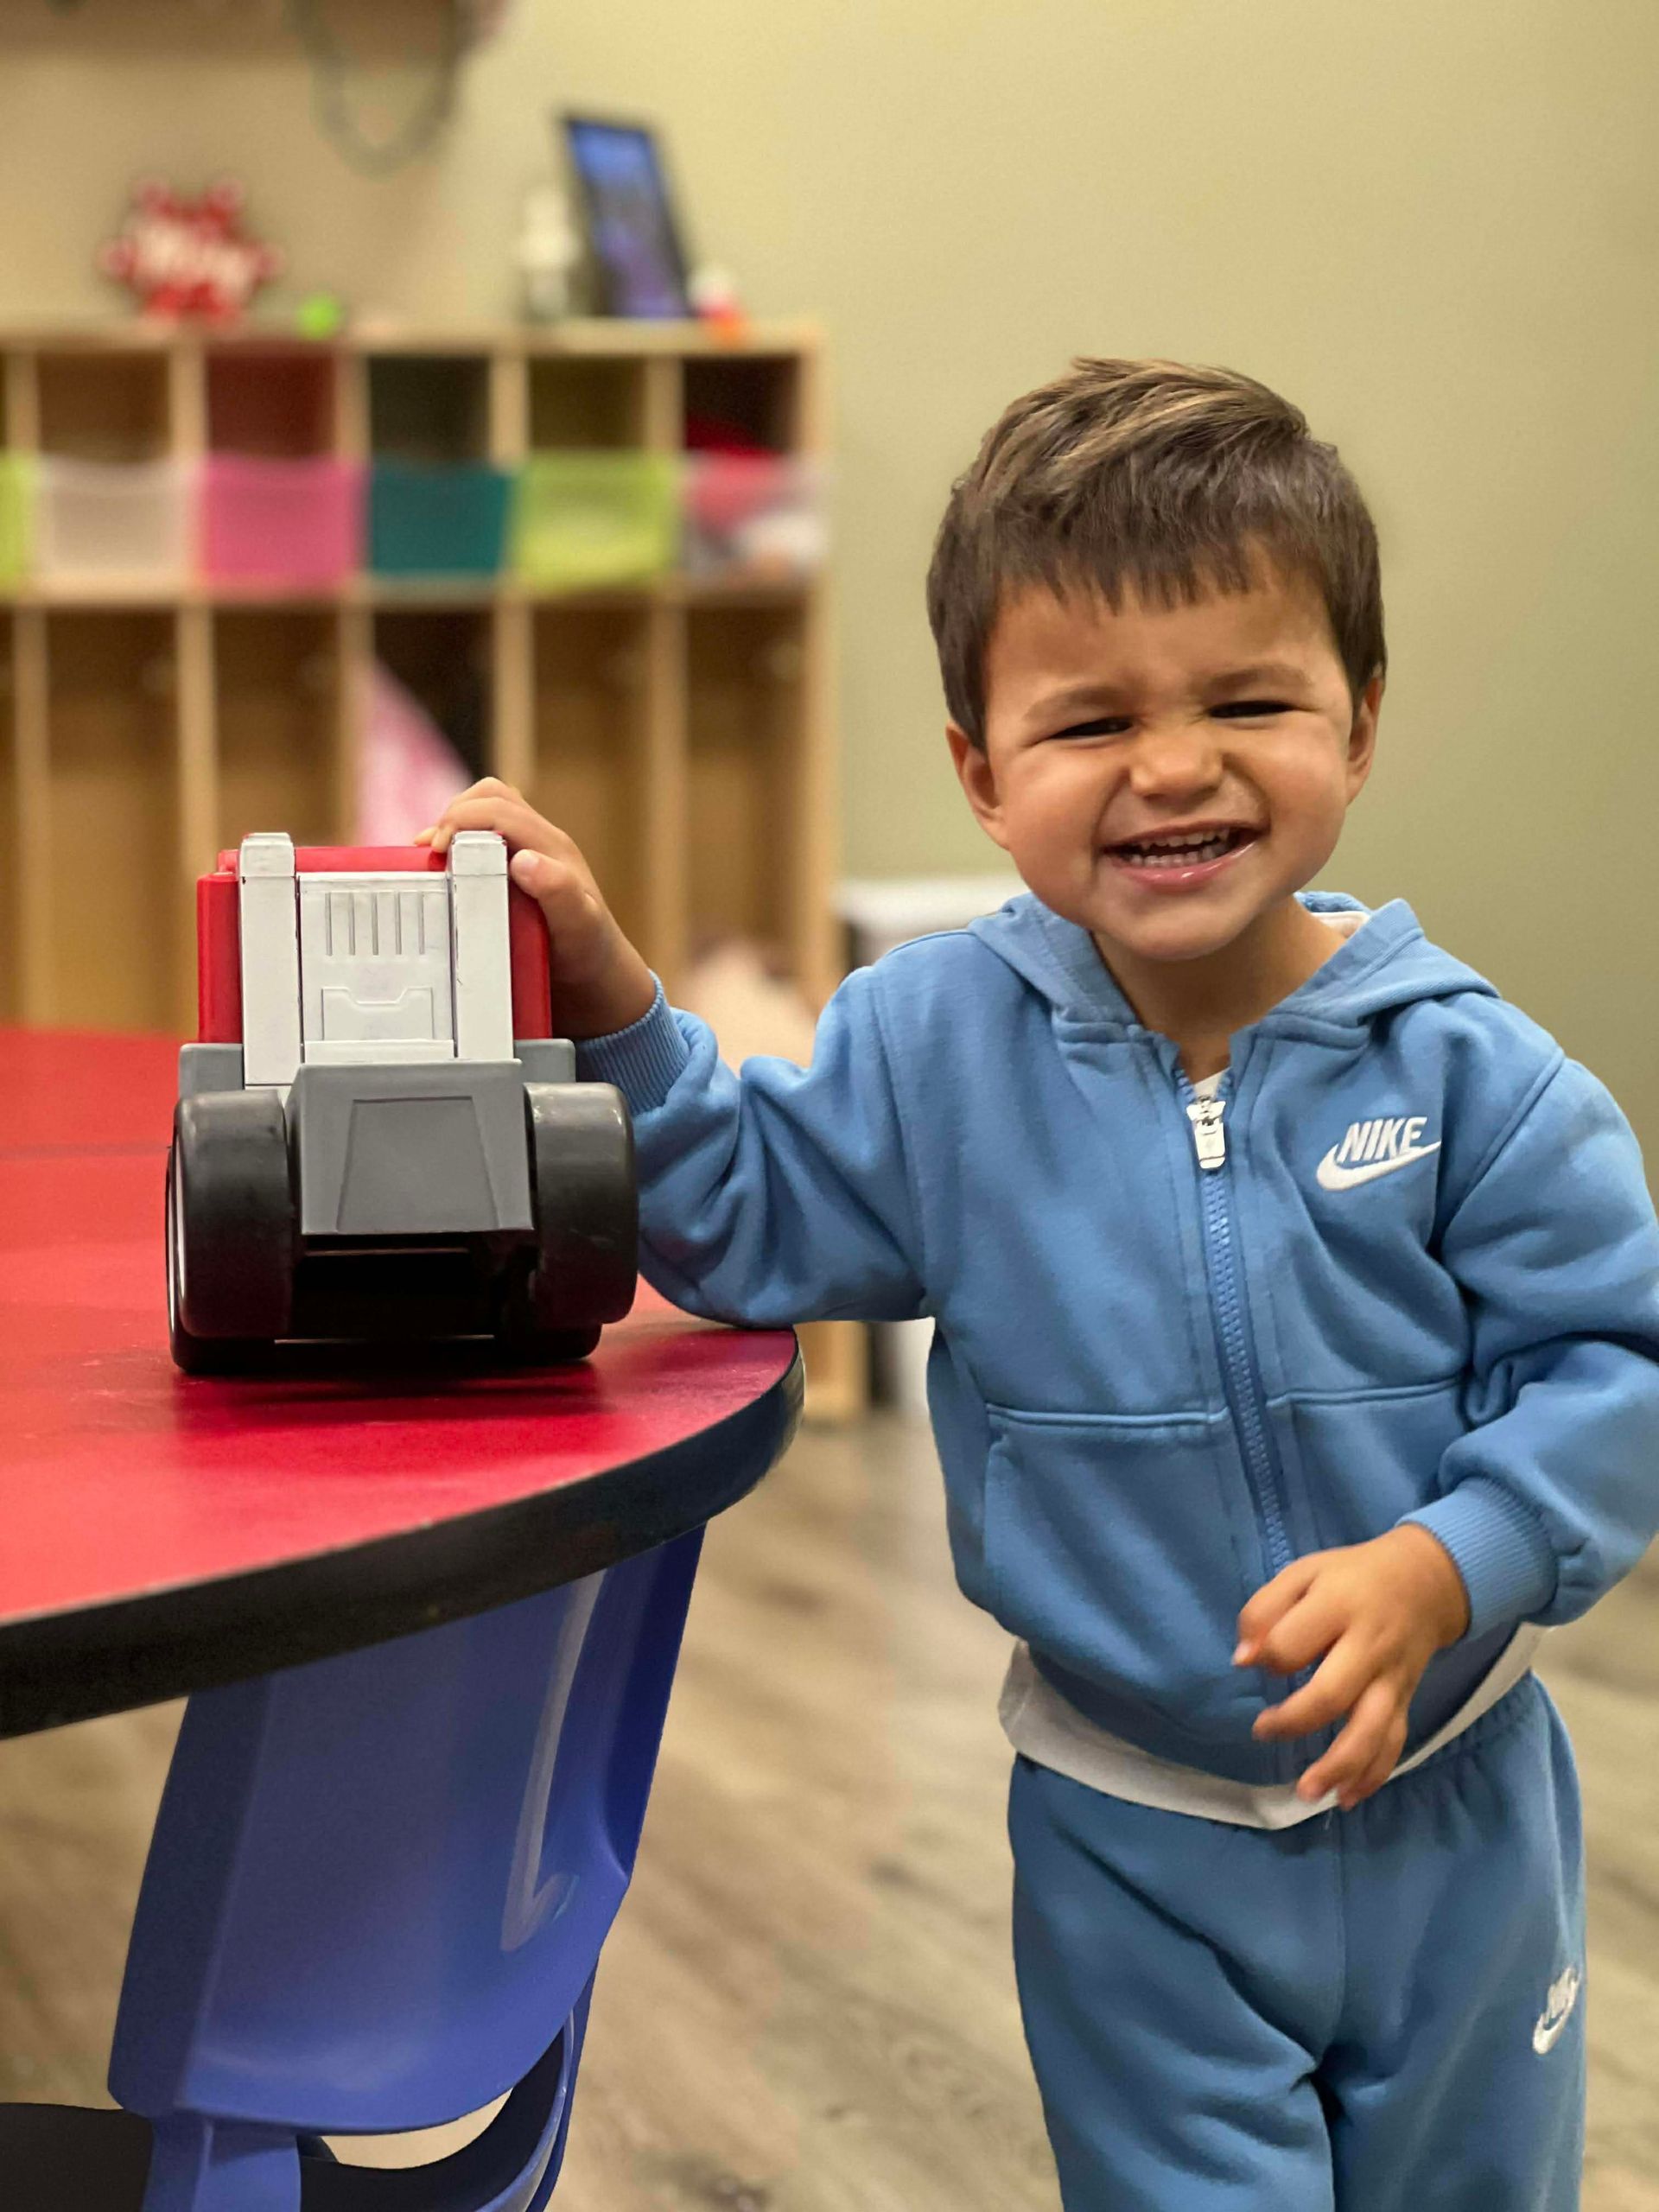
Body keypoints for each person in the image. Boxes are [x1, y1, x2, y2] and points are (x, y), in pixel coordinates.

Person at [421, 359, 1659, 2210]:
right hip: (1129, 1830)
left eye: (1252, 697)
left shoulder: (1476, 1076)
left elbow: (1617, 1366)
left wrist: (1450, 1562)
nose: (1177, 764)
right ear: (983, 774)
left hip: (1453, 1808)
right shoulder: (934, 1046)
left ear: (1363, 720)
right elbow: (749, 1214)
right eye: (1092, 722)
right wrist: (611, 998)